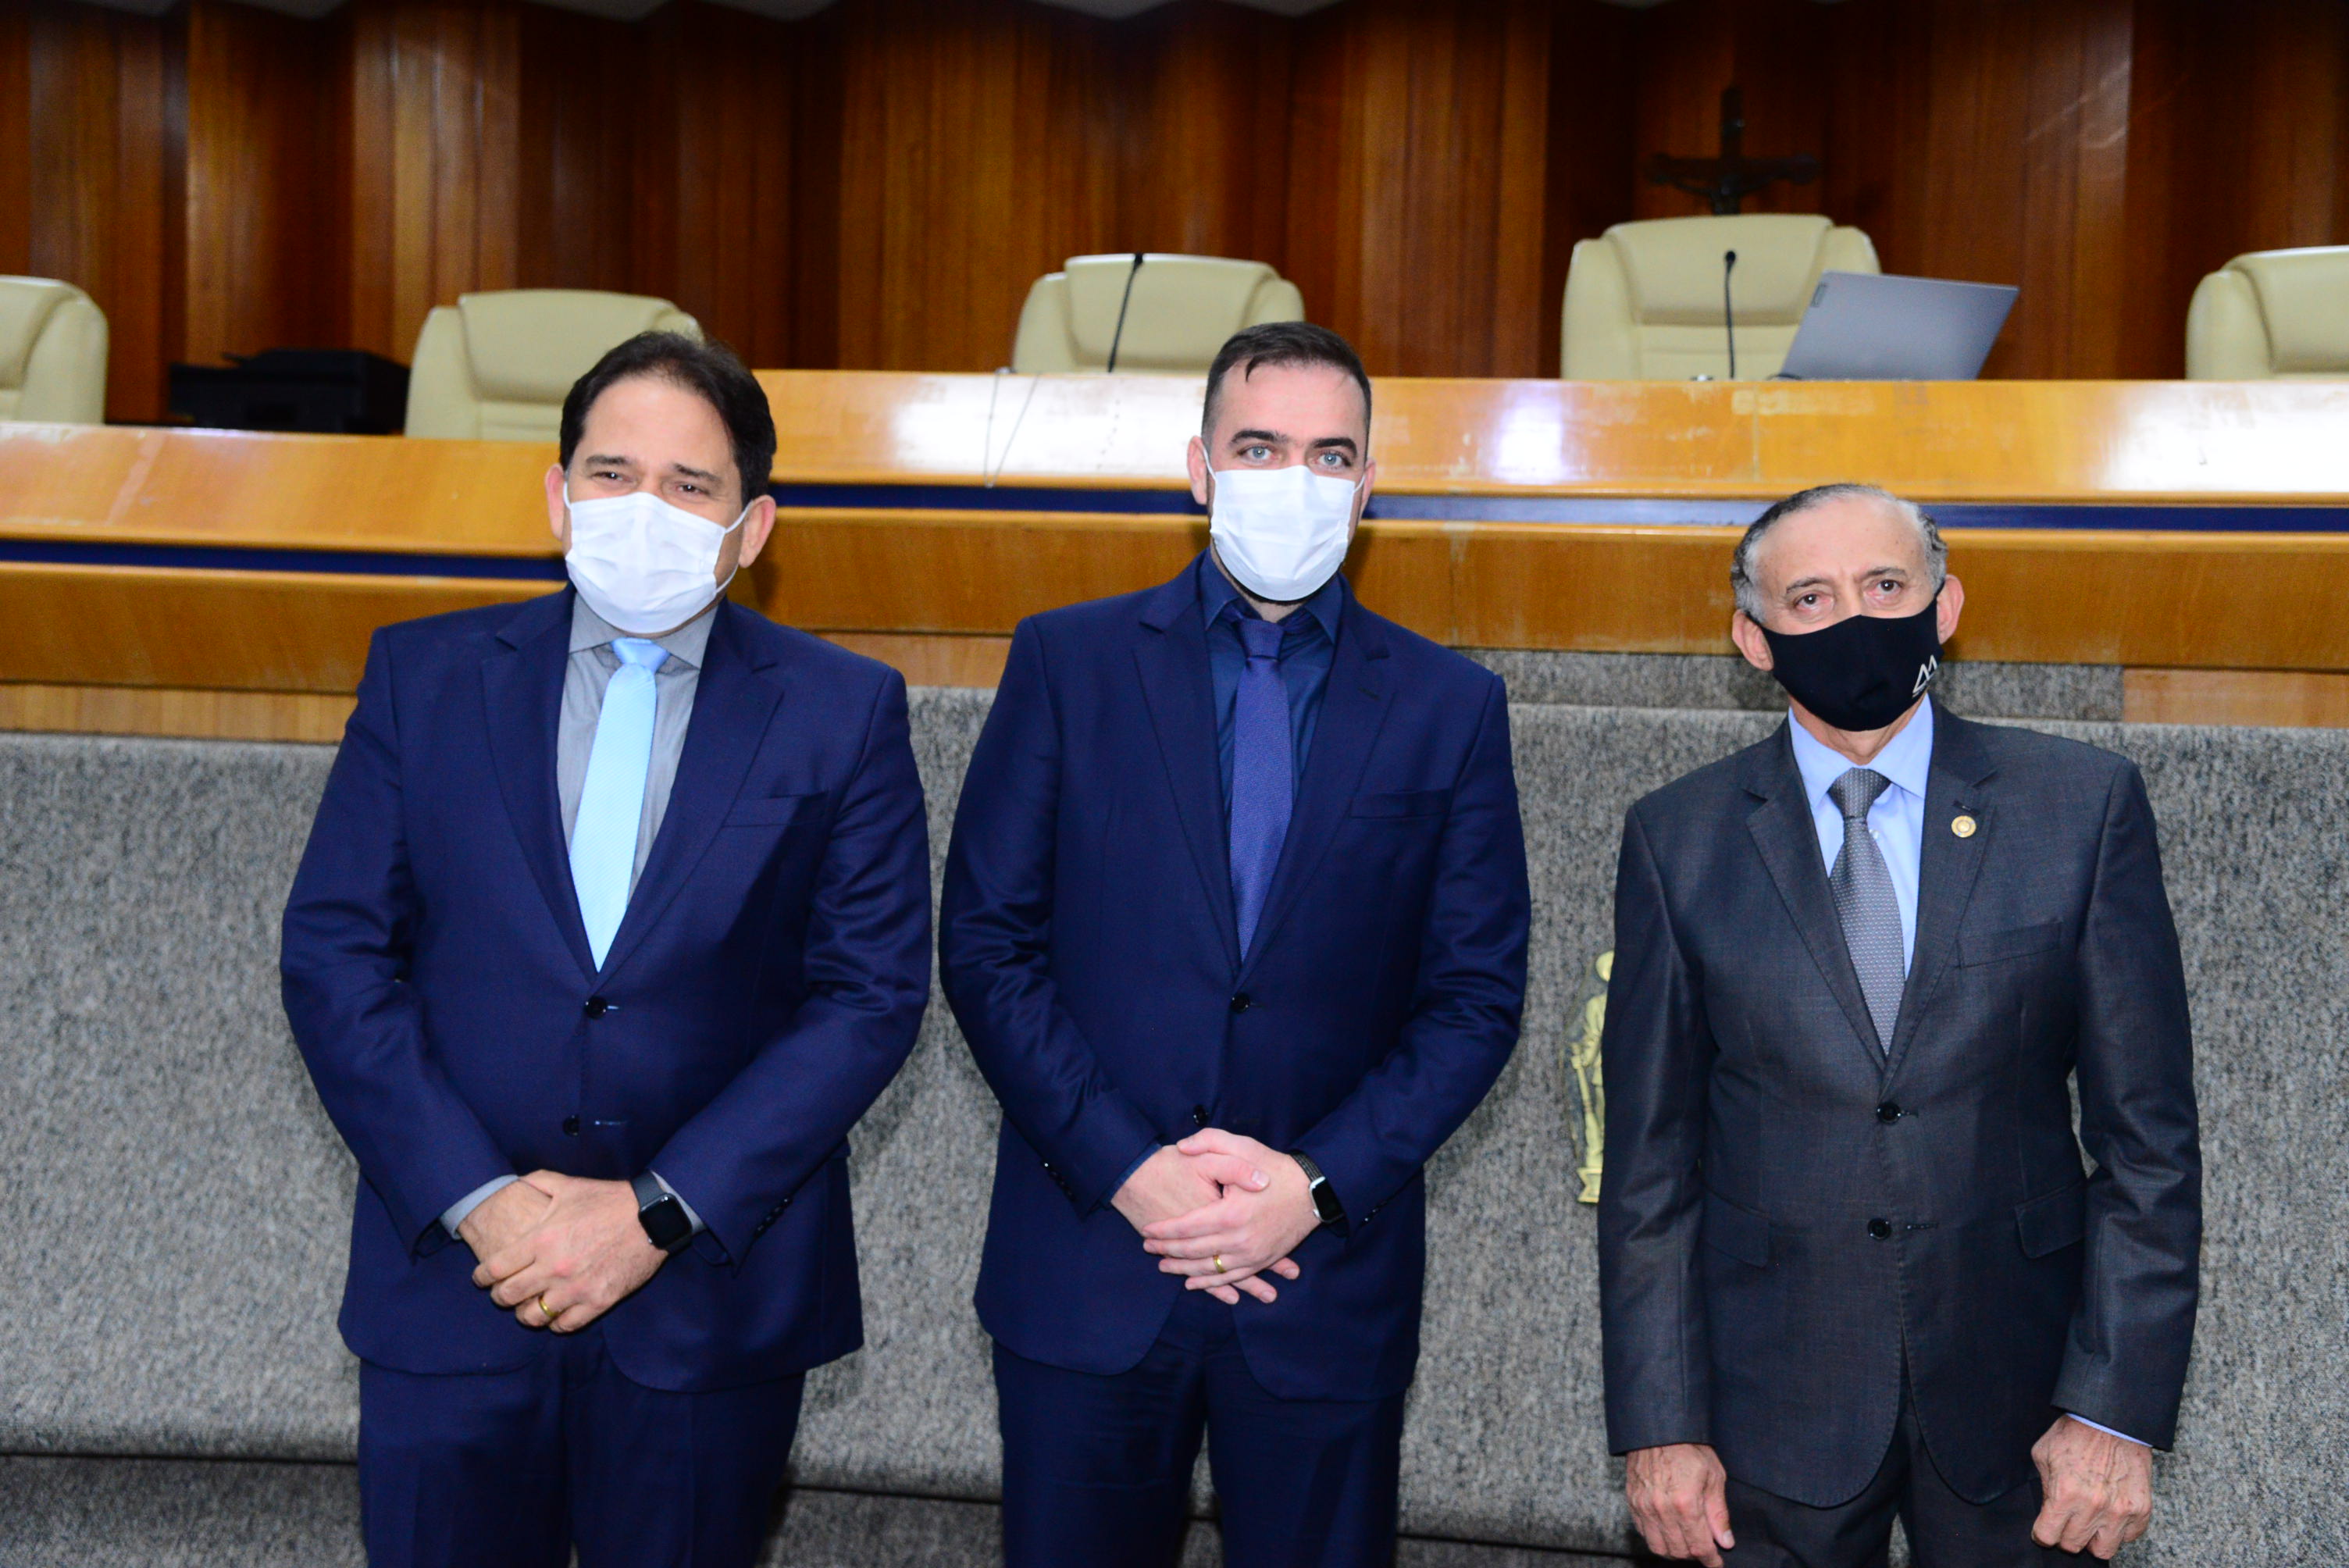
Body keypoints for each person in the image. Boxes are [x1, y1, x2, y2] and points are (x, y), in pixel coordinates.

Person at [280, 332, 931, 1567]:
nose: (645, 509)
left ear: (752, 526)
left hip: (706, 1304)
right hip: (456, 1285)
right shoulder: (426, 676)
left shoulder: (842, 710)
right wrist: (481, 1202)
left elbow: (869, 999)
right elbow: (335, 956)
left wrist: (654, 1216)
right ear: (558, 493)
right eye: (613, 473)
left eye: (690, 486)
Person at [939, 321, 1531, 1567]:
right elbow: (988, 944)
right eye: (1259, 448)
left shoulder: (1452, 706)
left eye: (1329, 456)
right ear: (1200, 467)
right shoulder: (1067, 661)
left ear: (1368, 487)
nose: (1293, 479)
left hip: (1322, 1278)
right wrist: (1130, 1168)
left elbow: (1475, 1000)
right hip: (1092, 1258)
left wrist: (1309, 1187)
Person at [1597, 483, 2201, 1566]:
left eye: (1884, 586)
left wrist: (2114, 1409)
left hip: (2029, 1413)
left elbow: (2148, 1145)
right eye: (1811, 598)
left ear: (1944, 605)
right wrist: (1660, 1425)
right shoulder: (1676, 840)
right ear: (1754, 640)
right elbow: (1650, 1169)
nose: (1854, 620)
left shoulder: (2082, 806)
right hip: (1761, 1414)